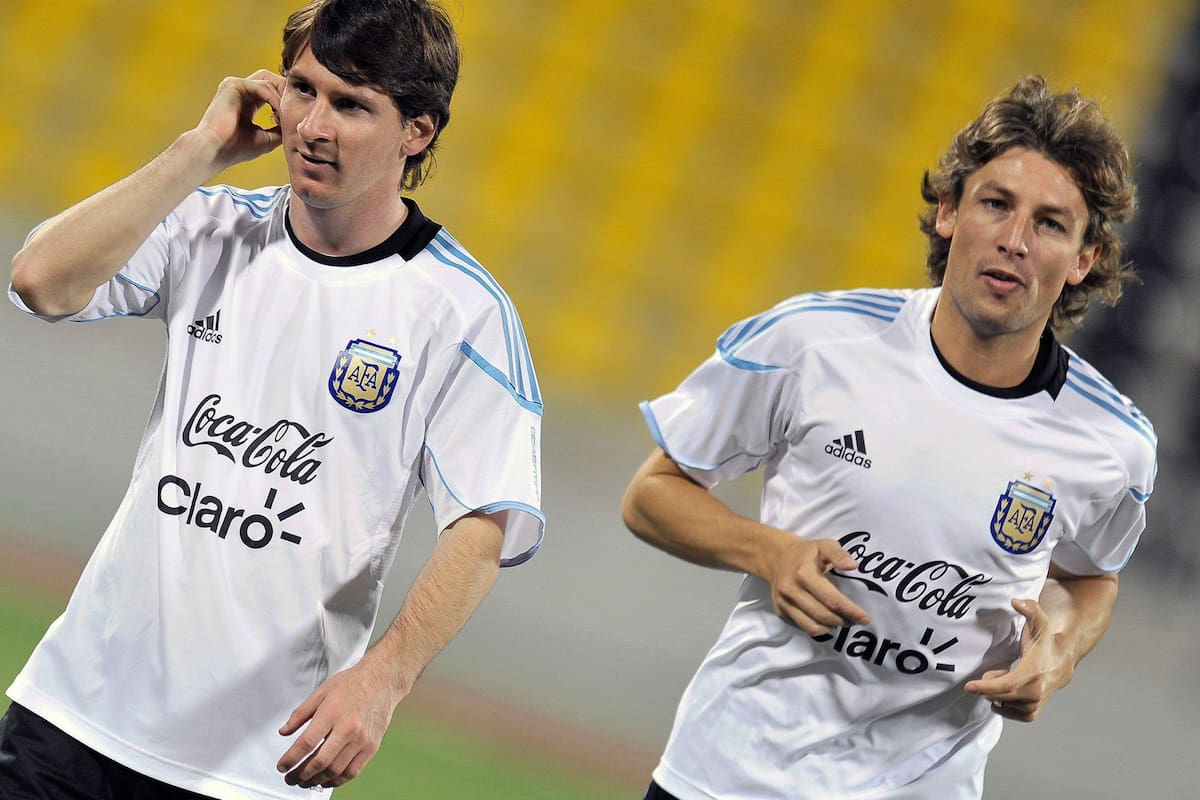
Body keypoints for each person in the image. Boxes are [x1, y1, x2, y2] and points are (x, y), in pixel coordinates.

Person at [1, 0, 544, 797]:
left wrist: (384, 680)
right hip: (74, 718)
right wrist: (198, 151)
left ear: (418, 130)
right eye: (302, 89)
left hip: (254, 768)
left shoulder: (462, 313)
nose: (312, 126)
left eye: (351, 104)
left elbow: (484, 524)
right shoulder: (214, 228)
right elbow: (39, 282)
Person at [622, 75, 1155, 800]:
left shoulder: (1113, 444)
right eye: (996, 204)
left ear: (1083, 260)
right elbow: (652, 492)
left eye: (1051, 223)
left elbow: (1091, 578)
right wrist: (769, 550)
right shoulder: (814, 341)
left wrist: (1057, 650)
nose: (1014, 241)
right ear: (948, 212)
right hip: (729, 773)